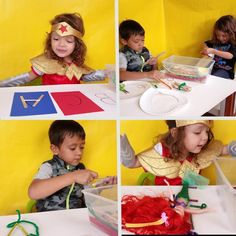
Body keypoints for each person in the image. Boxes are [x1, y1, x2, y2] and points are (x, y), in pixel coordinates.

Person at [28, 120, 115, 212]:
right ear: (55, 149)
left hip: (75, 218)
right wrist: (73, 176)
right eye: (72, 148)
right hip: (51, 219)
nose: (79, 152)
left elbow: (86, 200)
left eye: (82, 147)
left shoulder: (81, 169)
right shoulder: (48, 167)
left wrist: (100, 187)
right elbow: (33, 192)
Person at [0, 13, 105, 87]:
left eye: (68, 41)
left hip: (72, 102)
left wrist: (109, 73)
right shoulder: (45, 62)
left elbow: (85, 77)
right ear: (50, 40)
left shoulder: (75, 62)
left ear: (76, 45)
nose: (61, 44)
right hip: (50, 101)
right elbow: (26, 78)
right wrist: (2, 84)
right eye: (56, 39)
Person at [121, 120, 235, 185]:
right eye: (197, 132)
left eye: (207, 132)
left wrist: (232, 148)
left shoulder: (200, 149)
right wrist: (126, 153)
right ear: (175, 133)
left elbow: (220, 150)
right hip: (165, 198)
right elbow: (134, 162)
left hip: (194, 196)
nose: (205, 137)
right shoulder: (161, 150)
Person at [201, 15, 236, 79]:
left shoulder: (233, 44)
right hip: (212, 68)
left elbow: (230, 56)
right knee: (200, 74)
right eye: (218, 35)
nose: (220, 38)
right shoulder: (216, 42)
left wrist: (213, 51)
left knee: (214, 78)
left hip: (226, 71)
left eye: (224, 35)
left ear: (231, 33)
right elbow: (204, 43)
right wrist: (205, 49)